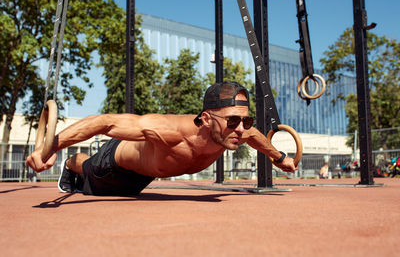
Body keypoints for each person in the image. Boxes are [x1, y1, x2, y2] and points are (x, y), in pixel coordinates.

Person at [26, 81, 297, 196]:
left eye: (245, 120)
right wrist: (49, 147)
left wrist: (279, 157)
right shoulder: (170, 131)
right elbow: (104, 123)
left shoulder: (235, 132)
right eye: (234, 121)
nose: (241, 128)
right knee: (85, 167)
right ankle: (70, 164)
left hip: (143, 177)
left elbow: (256, 136)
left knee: (125, 195)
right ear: (205, 119)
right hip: (114, 162)